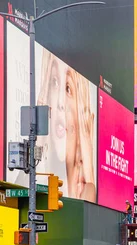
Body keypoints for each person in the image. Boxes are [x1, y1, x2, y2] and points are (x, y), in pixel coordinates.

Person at [35, 49, 96, 202]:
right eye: (54, 82)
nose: (60, 103)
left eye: (68, 89)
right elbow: (18, 188)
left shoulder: (85, 190)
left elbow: (89, 201)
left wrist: (87, 154)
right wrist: (39, 136)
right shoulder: (37, 182)